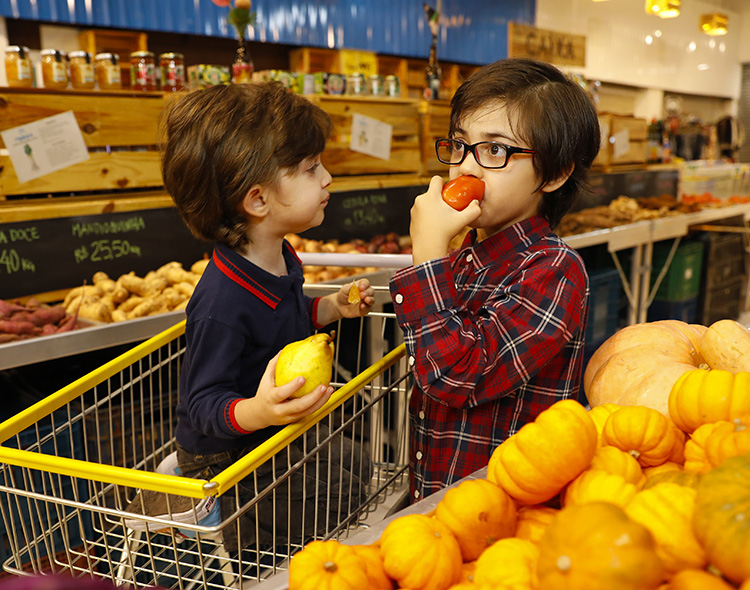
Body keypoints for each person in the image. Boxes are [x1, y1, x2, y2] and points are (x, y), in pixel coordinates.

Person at [159, 82, 376, 550]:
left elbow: (287, 319)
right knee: (338, 491)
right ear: (257, 200)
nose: (327, 178)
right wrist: (258, 410)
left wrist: (331, 309)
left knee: (357, 462)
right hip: (225, 458)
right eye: (310, 168)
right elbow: (202, 401)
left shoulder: (280, 255)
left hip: (268, 438)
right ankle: (234, 533)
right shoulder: (221, 301)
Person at [389, 57, 601, 501]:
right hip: (440, 496)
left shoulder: (554, 271)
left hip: (503, 511)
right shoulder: (466, 252)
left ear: (555, 173)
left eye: (495, 150)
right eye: (460, 144)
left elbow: (456, 377)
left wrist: (428, 256)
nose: (466, 168)